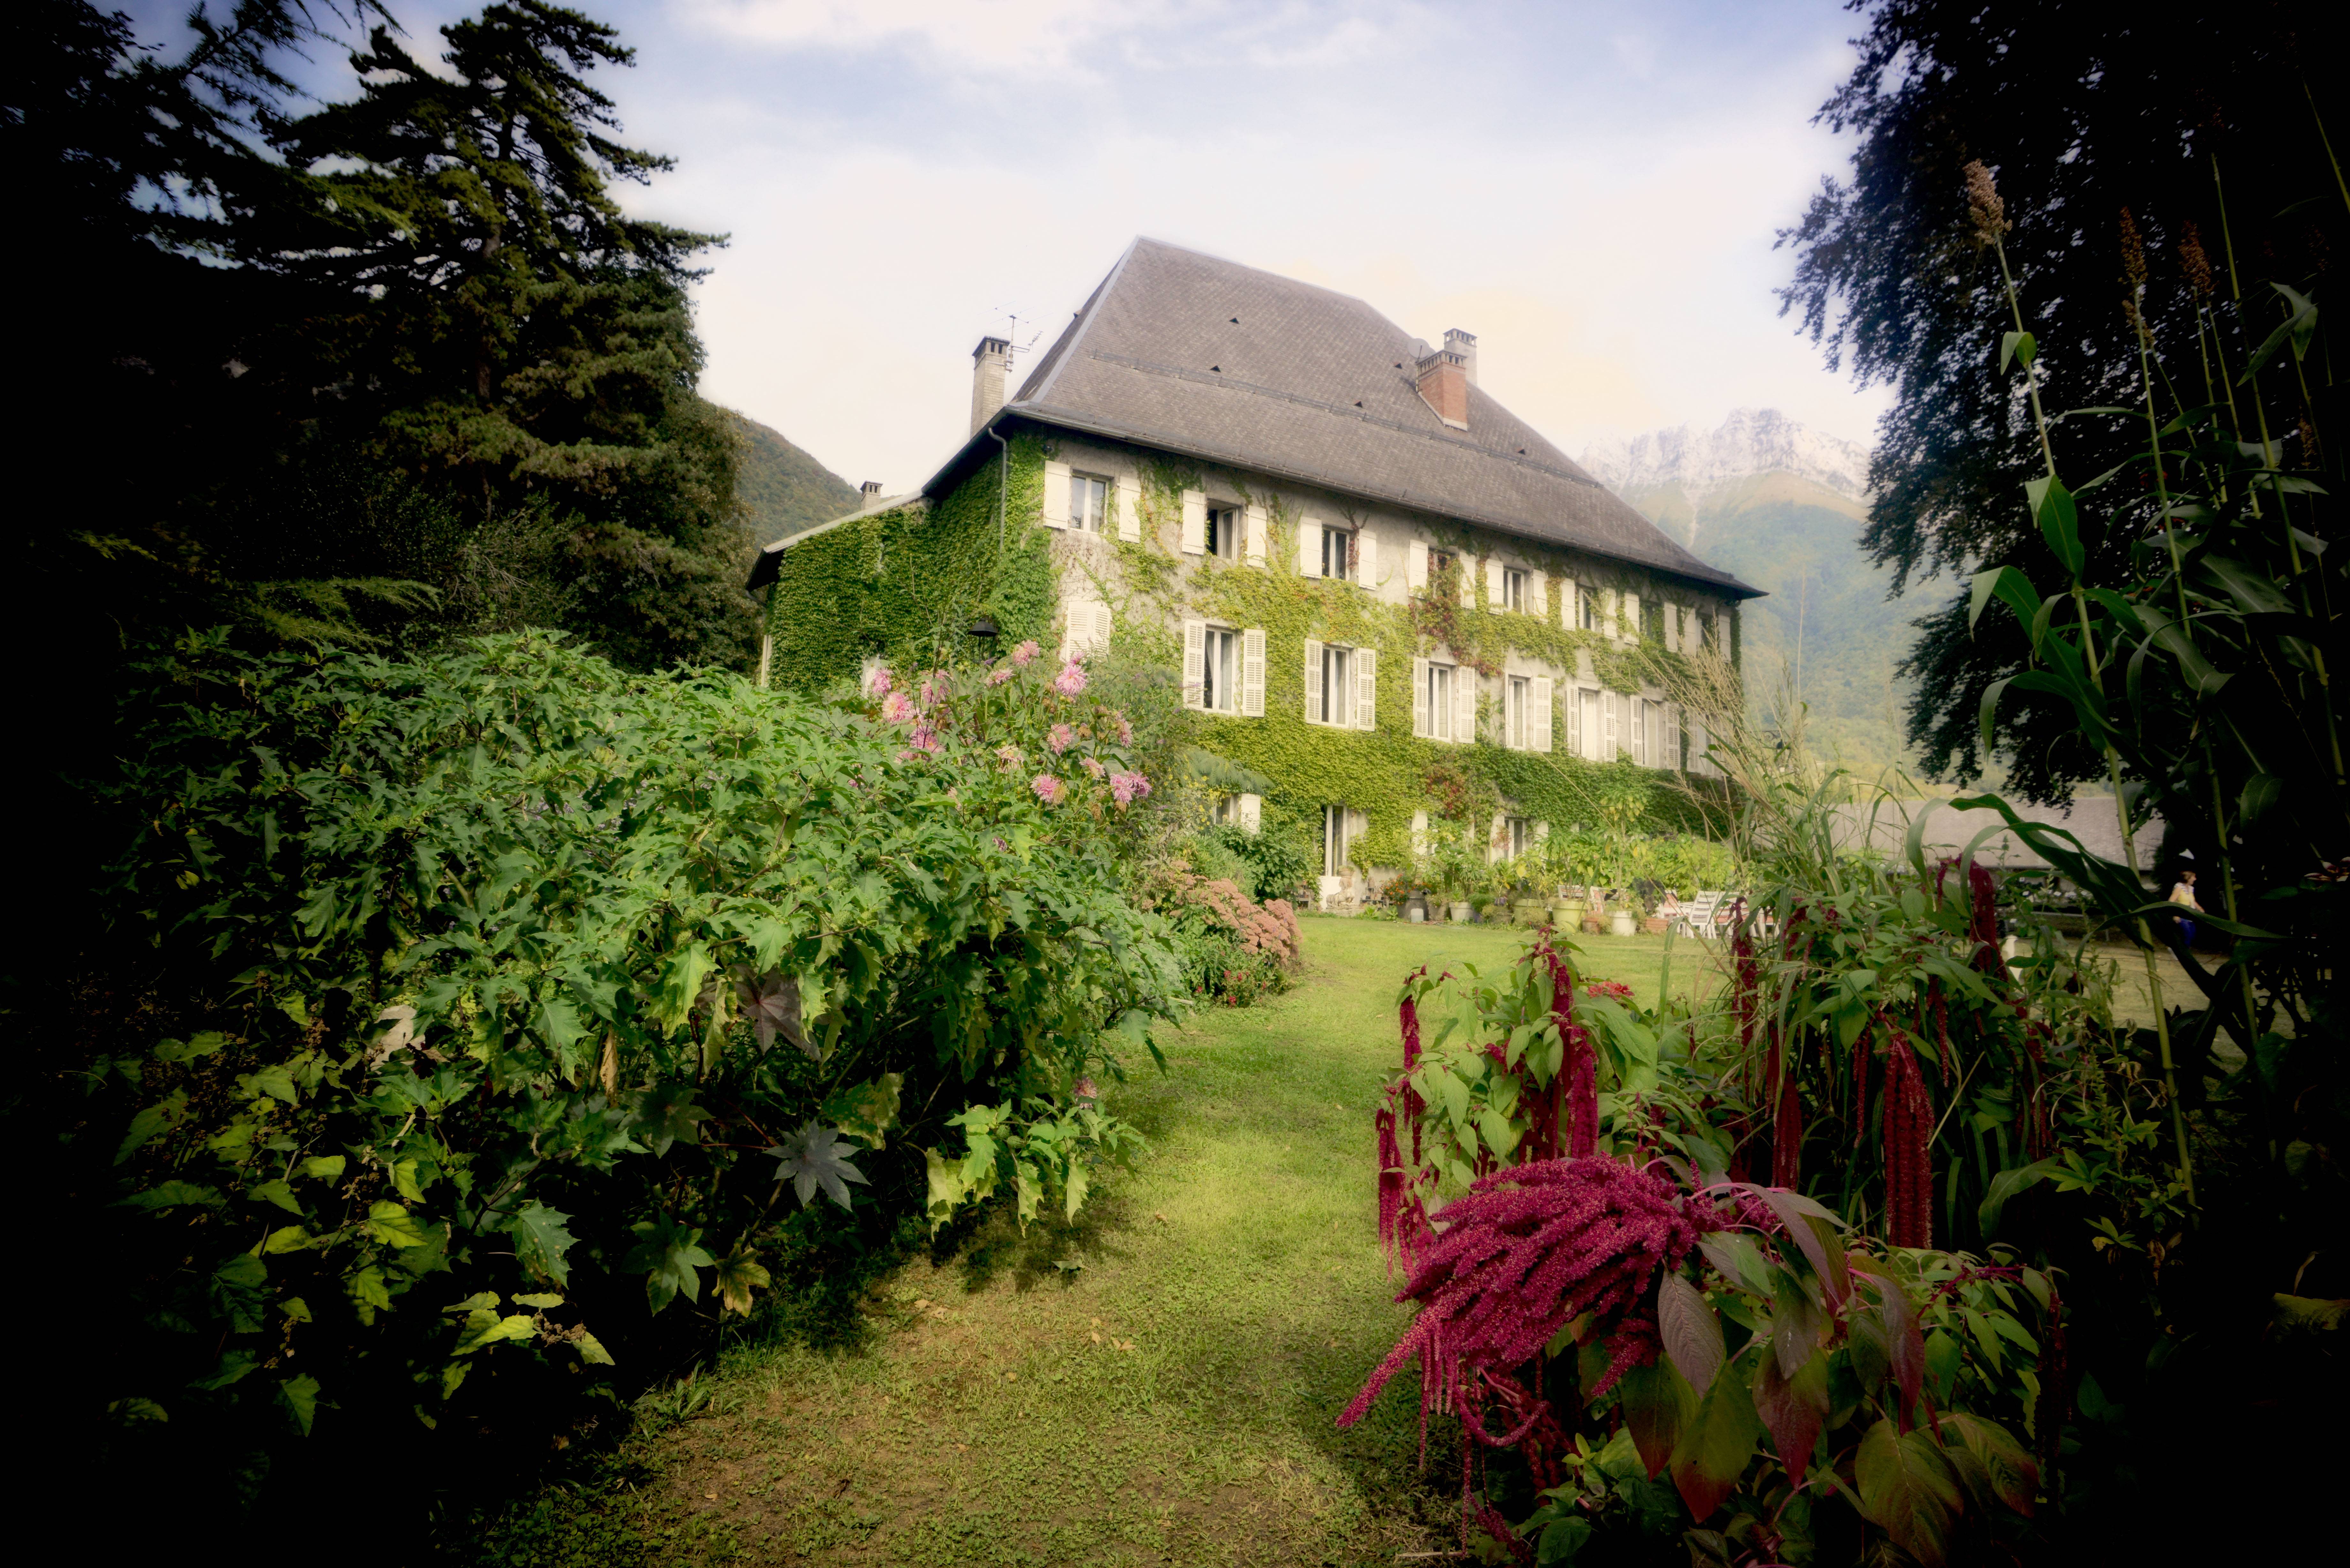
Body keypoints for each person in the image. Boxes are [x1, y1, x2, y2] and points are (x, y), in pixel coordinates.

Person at [2169, 868, 2201, 949]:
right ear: (2188, 878)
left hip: (2190, 915)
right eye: (2194, 877)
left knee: (2193, 934)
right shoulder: (2179, 888)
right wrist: (2176, 915)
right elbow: (2172, 901)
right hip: (2182, 915)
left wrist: (2200, 909)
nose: (2195, 879)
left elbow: (2193, 901)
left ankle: (2182, 950)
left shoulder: (2191, 889)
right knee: (2188, 934)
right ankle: (2181, 951)